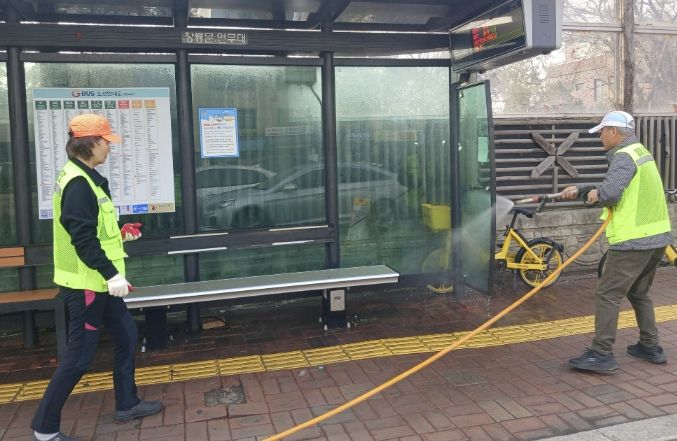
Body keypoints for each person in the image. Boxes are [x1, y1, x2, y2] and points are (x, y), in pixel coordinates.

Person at [31, 114, 163, 441]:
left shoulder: (85, 178)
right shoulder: (78, 183)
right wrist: (111, 274)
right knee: (78, 357)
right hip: (87, 285)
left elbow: (93, 229)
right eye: (106, 141)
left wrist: (119, 232)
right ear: (91, 143)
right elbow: (82, 239)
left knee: (127, 335)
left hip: (101, 284)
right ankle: (44, 429)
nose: (109, 148)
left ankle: (127, 404)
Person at [561, 110, 673, 372]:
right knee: (639, 292)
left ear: (613, 131)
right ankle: (650, 345)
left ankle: (601, 353)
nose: (600, 136)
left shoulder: (623, 156)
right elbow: (621, 185)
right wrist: (583, 189)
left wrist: (596, 195)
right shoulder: (640, 152)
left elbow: (610, 194)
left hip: (633, 241)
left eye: (602, 131)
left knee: (608, 293)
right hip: (657, 239)